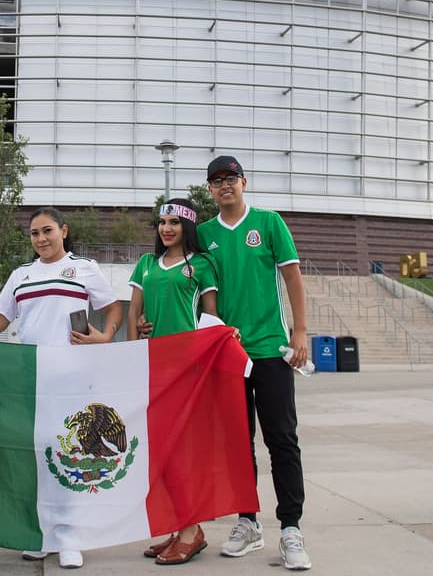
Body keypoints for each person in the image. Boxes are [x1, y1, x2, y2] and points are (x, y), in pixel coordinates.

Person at [0, 206, 123, 569]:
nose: (41, 239)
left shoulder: (85, 268)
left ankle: (69, 536)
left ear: (63, 231)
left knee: (69, 454)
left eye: (48, 230)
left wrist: (106, 336)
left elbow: (113, 307)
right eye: (34, 233)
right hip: (31, 378)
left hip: (72, 376)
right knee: (36, 456)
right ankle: (40, 532)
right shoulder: (22, 274)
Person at [197, 156, 311, 571]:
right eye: (216, 181)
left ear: (244, 182)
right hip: (228, 353)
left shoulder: (268, 222)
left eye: (230, 178)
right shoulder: (204, 234)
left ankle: (290, 528)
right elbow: (187, 286)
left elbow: (293, 277)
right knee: (237, 444)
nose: (224, 185)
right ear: (209, 189)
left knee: (281, 439)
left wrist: (300, 333)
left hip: (270, 350)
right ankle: (248, 521)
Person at [126, 198, 221, 565]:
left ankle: (191, 531)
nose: (166, 228)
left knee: (183, 452)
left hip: (187, 369)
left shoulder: (201, 266)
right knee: (161, 453)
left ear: (188, 228)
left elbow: (211, 319)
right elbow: (135, 312)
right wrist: (135, 344)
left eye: (174, 223)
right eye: (161, 222)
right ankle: (180, 526)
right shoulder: (146, 264)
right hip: (151, 367)